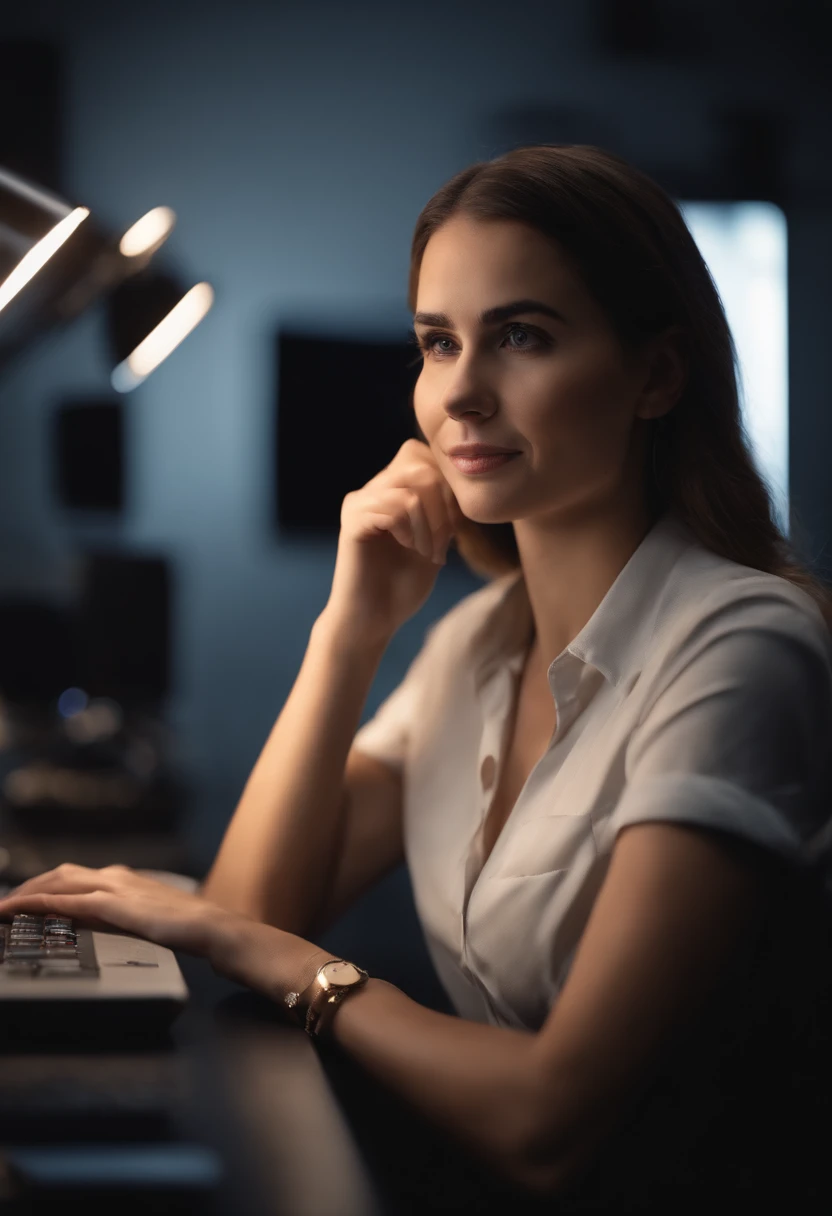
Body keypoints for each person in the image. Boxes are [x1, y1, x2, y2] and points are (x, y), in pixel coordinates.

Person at [1, 144, 832, 1213]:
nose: (462, 394)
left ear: (656, 375)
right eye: (437, 344)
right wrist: (349, 628)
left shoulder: (743, 645)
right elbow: (259, 908)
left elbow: (548, 1122)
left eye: (521, 335)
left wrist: (290, 964)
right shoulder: (475, 641)